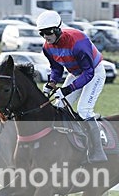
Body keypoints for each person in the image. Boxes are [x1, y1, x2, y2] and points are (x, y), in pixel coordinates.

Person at [37, 10, 107, 163]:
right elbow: (56, 69)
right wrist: (51, 83)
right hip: (75, 73)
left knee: (83, 110)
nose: (45, 37)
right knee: (59, 106)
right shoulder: (47, 47)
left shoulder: (78, 43)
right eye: (41, 33)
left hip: (94, 72)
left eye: (48, 32)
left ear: (57, 30)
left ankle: (98, 150)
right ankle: (67, 143)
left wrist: (67, 89)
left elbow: (89, 73)